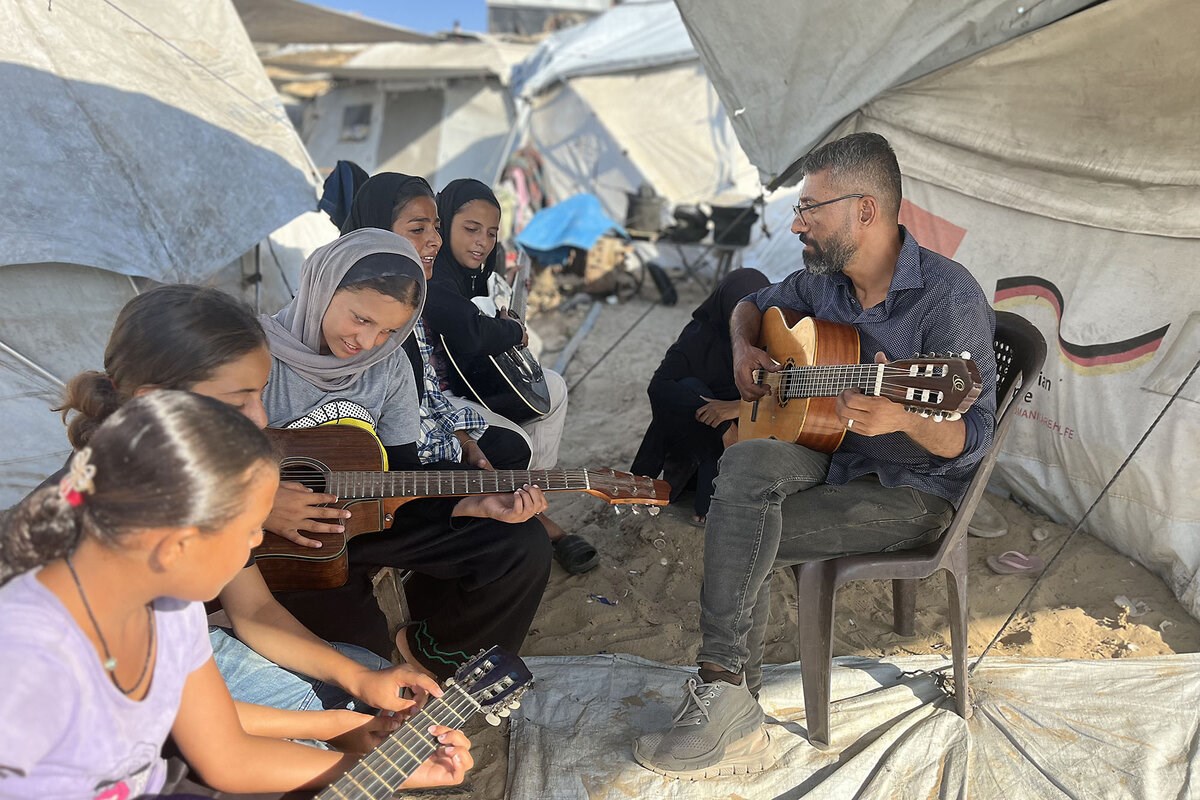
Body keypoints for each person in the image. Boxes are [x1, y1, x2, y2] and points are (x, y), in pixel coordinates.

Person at [634, 132, 997, 778]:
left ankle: (726, 692)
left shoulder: (949, 298)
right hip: (834, 449)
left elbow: (972, 437)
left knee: (742, 529)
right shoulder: (824, 284)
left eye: (810, 209)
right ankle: (730, 694)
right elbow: (750, 305)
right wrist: (746, 351)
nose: (796, 224)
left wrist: (905, 417)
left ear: (865, 211)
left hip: (916, 489)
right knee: (741, 469)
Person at [0, 392, 471, 798]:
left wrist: (354, 739)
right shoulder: (38, 658)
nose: (258, 543)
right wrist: (333, 733)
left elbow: (220, 746)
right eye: (249, 531)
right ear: (181, 541)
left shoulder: (171, 605)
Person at [49, 285, 443, 751]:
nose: (260, 418)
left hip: (167, 666)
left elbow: (253, 609)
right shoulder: (102, 530)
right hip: (86, 717)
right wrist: (328, 727)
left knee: (369, 674)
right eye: (240, 402)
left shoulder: (199, 479)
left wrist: (359, 681)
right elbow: (178, 715)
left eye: (260, 394)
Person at [260, 228, 553, 681]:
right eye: (361, 318)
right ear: (321, 287)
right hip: (284, 544)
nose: (368, 342)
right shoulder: (252, 354)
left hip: (367, 522)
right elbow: (189, 457)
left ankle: (434, 654)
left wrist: (471, 505)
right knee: (362, 665)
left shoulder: (391, 365)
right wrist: (262, 502)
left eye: (389, 330)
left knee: (521, 544)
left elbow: (401, 472)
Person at [422, 177, 598, 574]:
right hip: (439, 398)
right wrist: (513, 330)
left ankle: (531, 497)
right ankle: (529, 516)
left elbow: (487, 313)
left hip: (473, 381)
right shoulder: (433, 274)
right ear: (444, 223)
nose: (482, 242)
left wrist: (507, 314)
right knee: (518, 439)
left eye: (491, 233)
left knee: (554, 388)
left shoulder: (475, 271)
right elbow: (472, 331)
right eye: (471, 229)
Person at [630, 268, 771, 526]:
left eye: (755, 310)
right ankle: (702, 498)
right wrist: (723, 425)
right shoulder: (699, 336)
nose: (748, 320)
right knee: (690, 388)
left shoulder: (773, 337)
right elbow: (658, 386)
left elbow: (785, 391)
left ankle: (706, 496)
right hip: (699, 434)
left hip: (751, 430)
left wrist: (737, 408)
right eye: (740, 311)